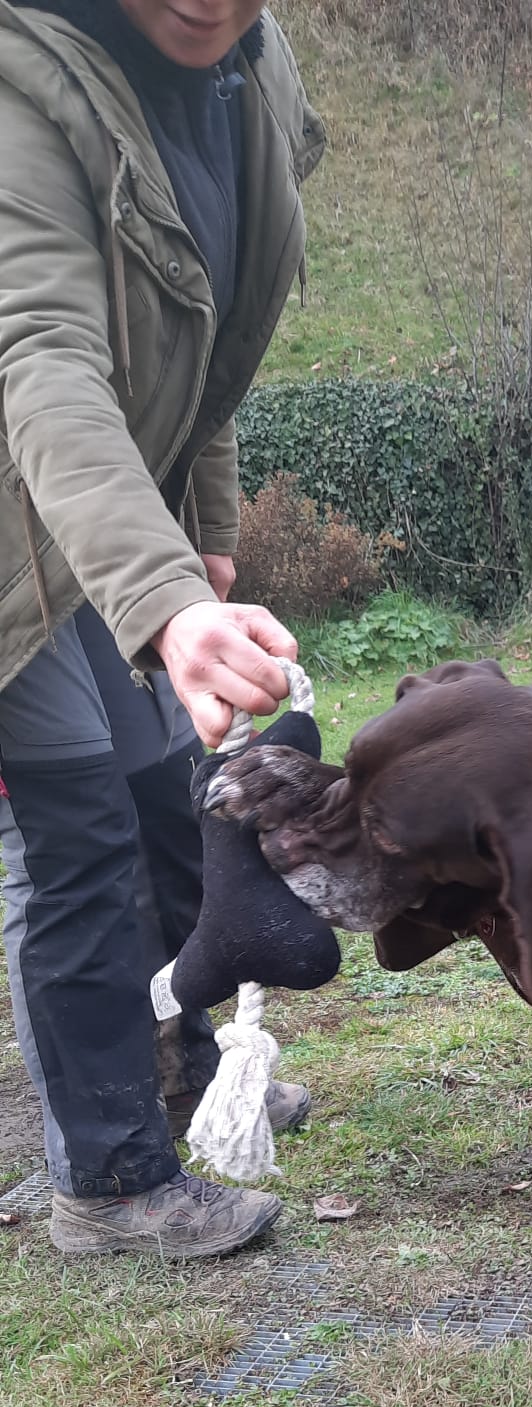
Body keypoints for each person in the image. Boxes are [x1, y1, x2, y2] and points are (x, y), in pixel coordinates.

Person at [0, 0, 325, 1256]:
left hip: (102, 514)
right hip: (20, 517)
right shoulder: (22, 85)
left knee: (165, 794)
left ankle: (185, 1069)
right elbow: (43, 358)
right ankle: (110, 1178)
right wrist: (167, 600)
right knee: (75, 831)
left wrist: (207, 525)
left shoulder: (252, 74)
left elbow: (204, 332)